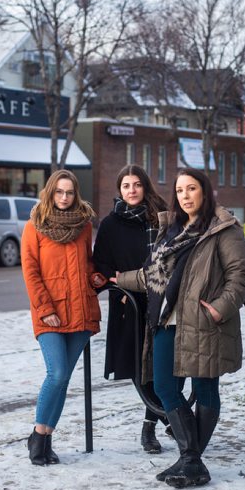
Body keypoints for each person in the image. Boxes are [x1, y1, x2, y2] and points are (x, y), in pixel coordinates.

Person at [114, 168, 245, 488]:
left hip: (203, 323)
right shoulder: (172, 229)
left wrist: (220, 309)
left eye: (191, 189)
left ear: (205, 191)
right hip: (166, 321)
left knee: (204, 390)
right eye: (179, 190)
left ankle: (190, 460)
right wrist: (119, 280)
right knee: (165, 387)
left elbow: (239, 277)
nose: (185, 196)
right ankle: (192, 460)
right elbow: (153, 274)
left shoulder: (223, 228)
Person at [21, 169, 105, 466]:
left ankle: (45, 440)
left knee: (64, 379)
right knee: (55, 374)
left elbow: (88, 261)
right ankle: (37, 435)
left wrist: (96, 277)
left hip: (80, 310)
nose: (65, 198)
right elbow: (31, 272)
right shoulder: (35, 225)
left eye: (69, 192)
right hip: (51, 313)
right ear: (50, 192)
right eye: (59, 192)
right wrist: (45, 309)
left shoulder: (83, 225)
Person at [93, 164, 170, 454]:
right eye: (126, 186)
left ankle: (162, 419)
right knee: (140, 367)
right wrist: (116, 281)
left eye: (137, 184)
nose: (132, 190)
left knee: (167, 364)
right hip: (129, 303)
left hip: (163, 299)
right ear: (119, 190)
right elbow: (101, 263)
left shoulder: (162, 215)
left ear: (145, 185)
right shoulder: (111, 223)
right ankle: (162, 422)